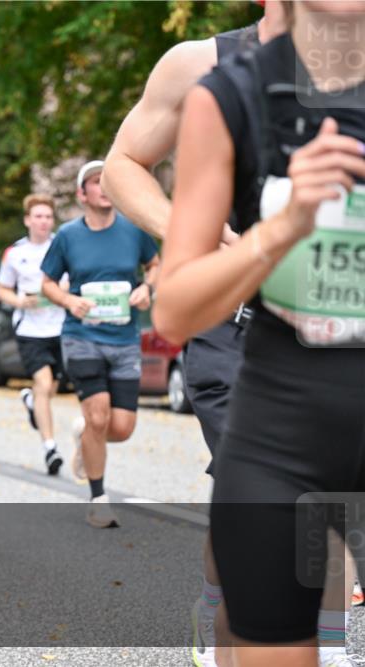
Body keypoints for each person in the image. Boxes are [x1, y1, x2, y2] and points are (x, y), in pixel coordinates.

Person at [102, 4, 362, 665]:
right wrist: (202, 232)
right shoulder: (206, 67)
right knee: (279, 494)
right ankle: (261, 618)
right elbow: (123, 165)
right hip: (235, 323)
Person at [40, 160, 159, 529]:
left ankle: (85, 436)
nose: (104, 188)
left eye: (108, 181)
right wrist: (68, 301)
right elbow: (46, 282)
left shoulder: (134, 232)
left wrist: (147, 288)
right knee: (97, 415)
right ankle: (98, 498)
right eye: (95, 182)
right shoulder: (68, 236)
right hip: (82, 337)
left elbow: (155, 265)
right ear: (82, 193)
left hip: (124, 339)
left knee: (120, 427)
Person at [0, 194, 68, 476]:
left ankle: (30, 401)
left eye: (48, 217)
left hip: (61, 326)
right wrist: (19, 301)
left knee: (49, 390)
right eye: (38, 216)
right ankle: (50, 448)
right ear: (28, 220)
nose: (43, 221)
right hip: (30, 329)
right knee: (44, 381)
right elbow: (3, 289)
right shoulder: (15, 253)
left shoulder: (62, 247)